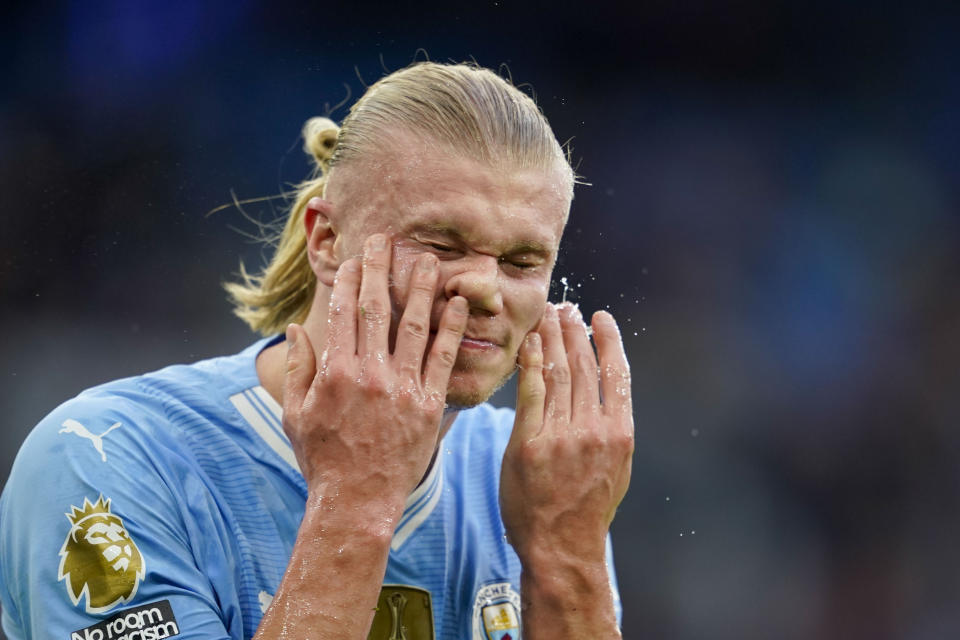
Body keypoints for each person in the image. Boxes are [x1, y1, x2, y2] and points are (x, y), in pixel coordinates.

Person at [0, 61, 633, 639]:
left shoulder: (536, 478)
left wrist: (567, 558)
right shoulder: (103, 460)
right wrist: (355, 499)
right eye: (440, 245)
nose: (486, 289)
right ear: (327, 239)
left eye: (522, 261)